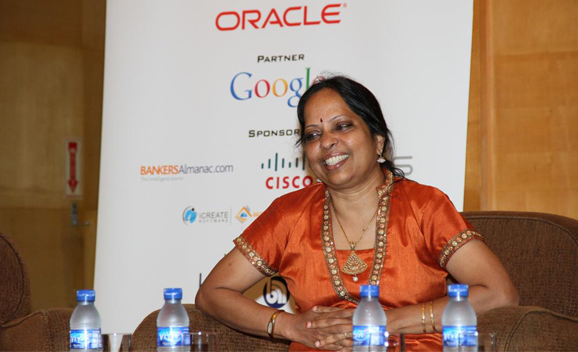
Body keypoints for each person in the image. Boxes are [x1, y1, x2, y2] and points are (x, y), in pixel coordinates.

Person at [195, 75, 518, 351]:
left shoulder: (423, 207)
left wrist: (385, 321)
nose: (327, 142)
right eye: (313, 134)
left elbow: (499, 293)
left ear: (378, 142)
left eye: (342, 126)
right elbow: (213, 294)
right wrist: (290, 326)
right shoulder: (289, 214)